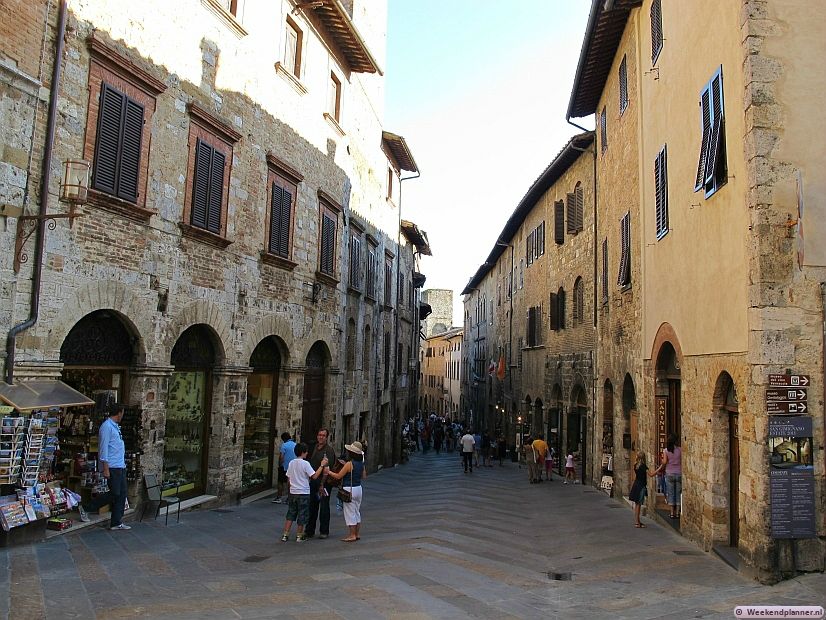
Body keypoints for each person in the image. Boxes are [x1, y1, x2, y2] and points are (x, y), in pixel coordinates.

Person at [78, 404, 130, 530]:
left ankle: (116, 522)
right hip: (112, 466)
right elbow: (103, 448)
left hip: (120, 465)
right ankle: (86, 507)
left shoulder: (115, 427)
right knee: (114, 493)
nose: (122, 415)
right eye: (122, 413)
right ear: (119, 413)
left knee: (122, 494)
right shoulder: (106, 427)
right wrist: (105, 467)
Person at [281, 443, 328, 542]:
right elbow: (314, 476)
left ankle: (285, 535)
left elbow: (289, 479)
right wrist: (321, 465)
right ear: (303, 452)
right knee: (302, 514)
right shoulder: (305, 464)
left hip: (293, 492)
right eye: (306, 451)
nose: (307, 453)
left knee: (290, 514)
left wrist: (290, 491)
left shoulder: (291, 463)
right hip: (303, 492)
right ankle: (299, 535)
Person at [326, 441, 366, 542]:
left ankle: (352, 535)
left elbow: (339, 476)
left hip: (349, 489)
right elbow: (364, 476)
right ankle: (357, 534)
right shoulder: (361, 464)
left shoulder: (349, 464)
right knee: (356, 511)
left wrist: (329, 472)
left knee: (350, 513)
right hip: (358, 488)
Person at [305, 428, 337, 539]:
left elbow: (327, 470)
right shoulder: (314, 447)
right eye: (319, 435)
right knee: (312, 506)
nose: (321, 437)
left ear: (327, 437)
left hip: (324, 483)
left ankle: (324, 531)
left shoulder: (328, 450)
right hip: (313, 481)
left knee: (324, 506)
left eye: (323, 435)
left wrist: (322, 484)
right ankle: (310, 530)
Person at [656, 435, 682, 519]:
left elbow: (664, 462)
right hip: (678, 473)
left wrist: (659, 468)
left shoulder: (666, 451)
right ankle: (678, 512)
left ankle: (671, 512)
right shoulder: (680, 450)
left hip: (669, 473)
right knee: (678, 493)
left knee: (671, 493)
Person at [629, 451, 655, 527]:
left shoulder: (636, 465)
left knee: (637, 504)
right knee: (638, 504)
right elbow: (651, 474)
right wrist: (659, 469)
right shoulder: (643, 466)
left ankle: (638, 521)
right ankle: (637, 522)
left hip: (636, 484)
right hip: (641, 486)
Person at [272, 432, 294, 503]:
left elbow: (281, 457)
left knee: (280, 481)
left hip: (284, 466)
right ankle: (289, 498)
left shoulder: (284, 445)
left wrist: (280, 464)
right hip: (292, 467)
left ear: (283, 439)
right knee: (290, 482)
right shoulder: (295, 445)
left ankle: (279, 497)